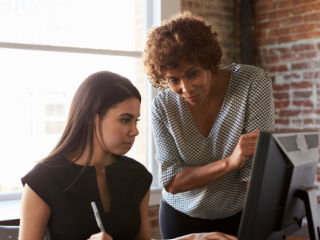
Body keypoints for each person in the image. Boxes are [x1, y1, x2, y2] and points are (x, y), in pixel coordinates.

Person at [19, 71, 238, 240]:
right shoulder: (42, 181)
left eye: (136, 120)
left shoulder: (137, 176)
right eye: (125, 120)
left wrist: (193, 238)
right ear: (91, 118)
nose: (134, 131)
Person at [142, 12, 275, 239]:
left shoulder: (252, 83)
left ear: (208, 60)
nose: (187, 88)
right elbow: (172, 181)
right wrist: (230, 162)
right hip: (180, 218)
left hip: (240, 215)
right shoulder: (162, 107)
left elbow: (255, 169)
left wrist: (258, 227)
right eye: (174, 80)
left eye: (193, 73)